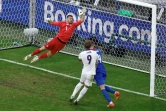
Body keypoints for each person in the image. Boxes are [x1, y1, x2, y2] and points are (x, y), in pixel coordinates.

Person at [90, 41, 120, 108]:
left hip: (97, 71)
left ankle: (110, 103)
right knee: (101, 86)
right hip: (103, 69)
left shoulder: (91, 53)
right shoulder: (98, 51)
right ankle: (115, 93)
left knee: (102, 87)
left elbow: (94, 63)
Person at [69, 40, 98, 105]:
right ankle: (77, 100)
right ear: (90, 46)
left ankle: (72, 95)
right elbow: (96, 62)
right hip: (91, 73)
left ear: (84, 46)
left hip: (84, 71)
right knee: (86, 86)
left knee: (81, 82)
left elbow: (80, 60)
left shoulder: (81, 53)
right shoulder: (95, 53)